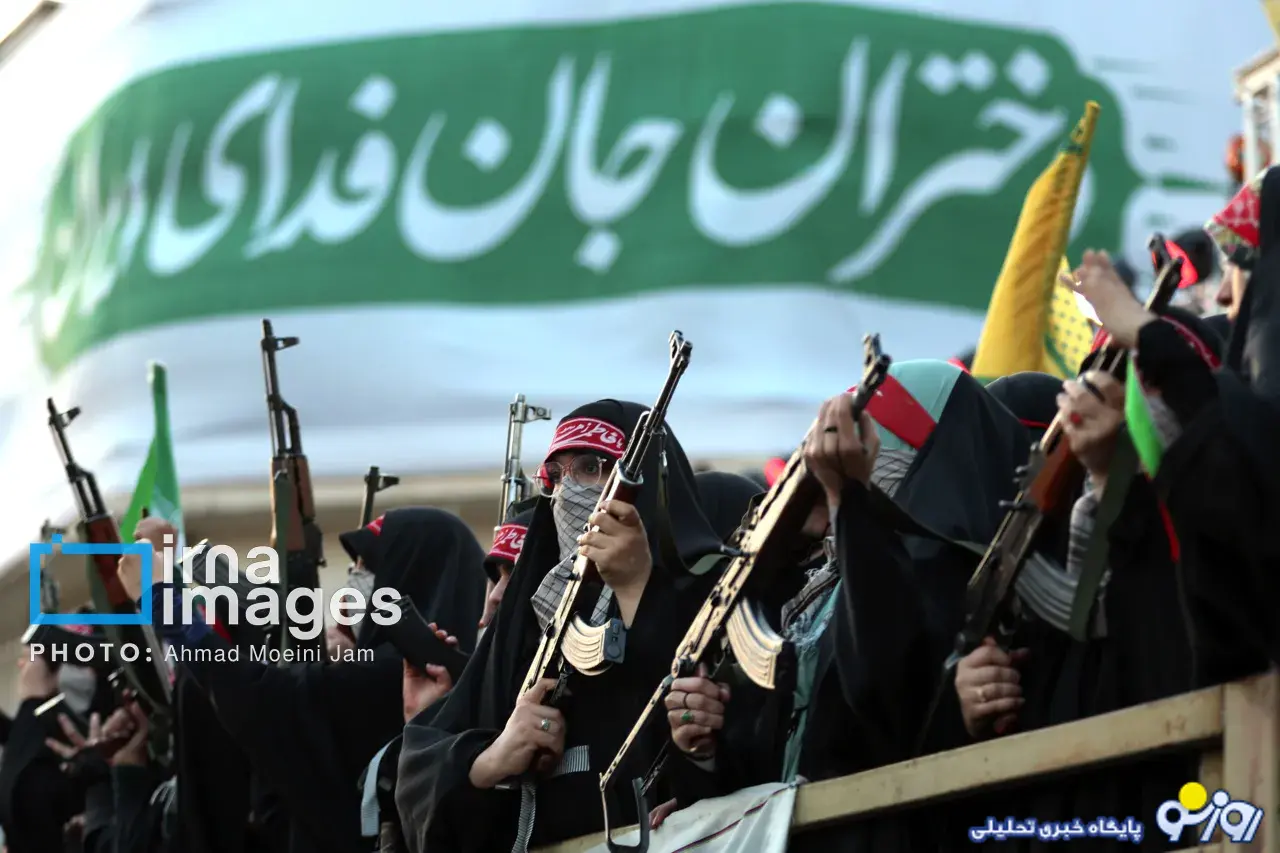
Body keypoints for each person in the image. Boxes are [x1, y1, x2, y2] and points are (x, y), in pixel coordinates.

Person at [396, 399, 724, 853]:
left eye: (591, 468)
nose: (569, 491)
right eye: (555, 476)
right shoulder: (529, 624)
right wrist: (491, 759)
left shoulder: (713, 596)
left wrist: (637, 590)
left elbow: (749, 741)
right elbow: (418, 776)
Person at [124, 508, 482, 853]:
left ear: (408, 574)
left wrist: (161, 600)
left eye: (367, 566)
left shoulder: (407, 676)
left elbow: (253, 694)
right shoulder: (457, 682)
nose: (352, 584)